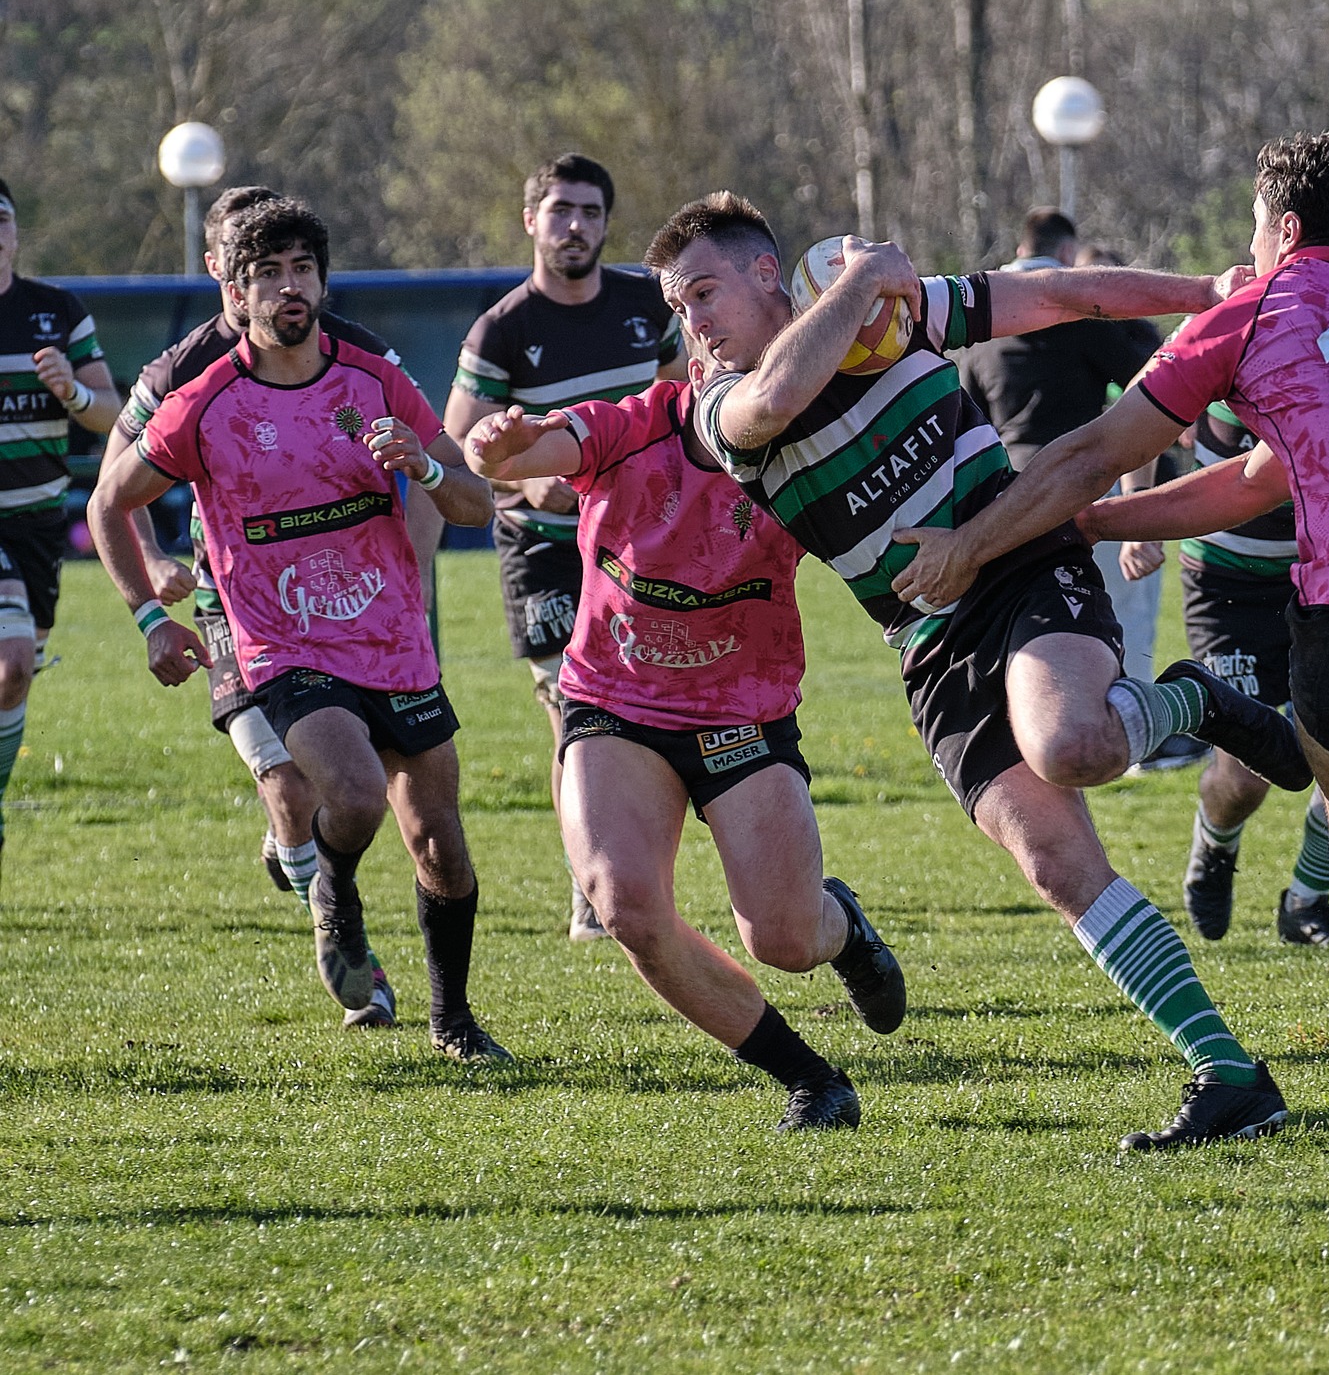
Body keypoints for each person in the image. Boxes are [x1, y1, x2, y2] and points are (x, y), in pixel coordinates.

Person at [895, 133, 1329, 1114]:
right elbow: (1258, 479)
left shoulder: (1252, 311)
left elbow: (1092, 450)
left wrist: (972, 542)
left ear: (1283, 227)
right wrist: (1102, 524)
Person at [650, 191, 1304, 1149]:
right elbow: (776, 402)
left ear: (765, 274)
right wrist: (872, 272)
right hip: (928, 646)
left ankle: (1187, 698)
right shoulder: (720, 404)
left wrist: (1205, 289)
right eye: (678, 308)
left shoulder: (892, 318)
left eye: (703, 294)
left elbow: (1055, 299)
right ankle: (1230, 1072)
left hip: (1022, 564)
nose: (693, 325)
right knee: (1055, 862)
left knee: (1073, 741)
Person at [87, 198, 510, 1062]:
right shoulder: (201, 396)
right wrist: (148, 616)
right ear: (235, 294)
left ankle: (454, 1022)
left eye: (302, 270)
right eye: (267, 274)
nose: (289, 288)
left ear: (321, 279)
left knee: (441, 844)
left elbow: (475, 502)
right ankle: (336, 895)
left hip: (392, 635)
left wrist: (426, 465)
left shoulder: (375, 377)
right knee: (349, 793)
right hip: (279, 639)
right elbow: (107, 501)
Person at [463, 371, 905, 1132]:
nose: (709, 326)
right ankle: (810, 1077)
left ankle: (844, 927)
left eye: (720, 301)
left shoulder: (807, 450)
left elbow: (894, 539)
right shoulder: (631, 425)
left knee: (786, 939)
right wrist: (497, 450)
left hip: (743, 710)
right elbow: (534, 452)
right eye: (692, 305)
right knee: (625, 902)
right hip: (615, 699)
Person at [444, 154, 687, 941]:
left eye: (588, 210)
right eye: (559, 211)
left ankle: (638, 873)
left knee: (651, 710)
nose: (574, 225)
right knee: (573, 711)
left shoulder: (646, 307)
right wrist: (521, 486)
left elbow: (689, 402)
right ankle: (591, 886)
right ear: (531, 222)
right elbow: (456, 452)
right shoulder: (502, 331)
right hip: (543, 547)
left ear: (607, 222)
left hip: (640, 543)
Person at [1174, 390, 1329, 948]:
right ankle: (1216, 843)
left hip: (1324, 577)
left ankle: (1307, 902)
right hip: (1226, 587)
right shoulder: (1212, 331)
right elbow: (1136, 423)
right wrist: (1134, 514)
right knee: (1247, 770)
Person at [956, 214, 1169, 687]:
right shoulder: (1079, 314)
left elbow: (964, 420)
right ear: (1069, 254)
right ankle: (1128, 725)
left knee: (1027, 613)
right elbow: (1148, 382)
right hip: (1086, 480)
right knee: (1121, 612)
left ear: (1018, 248)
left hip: (1009, 492)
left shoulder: (983, 323)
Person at [0, 176, 119, 878]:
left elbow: (114, 412)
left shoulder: (56, 312)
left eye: (4, 219)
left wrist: (72, 392)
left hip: (40, 525)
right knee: (13, 659)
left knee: (16, 678)